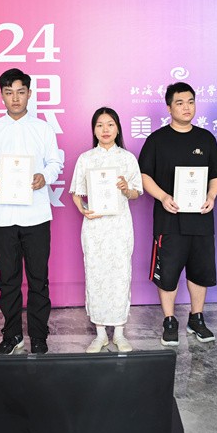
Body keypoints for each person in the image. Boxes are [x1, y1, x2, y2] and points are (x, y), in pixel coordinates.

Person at [0, 68, 64, 355]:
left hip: (36, 215)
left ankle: (39, 335)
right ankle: (12, 335)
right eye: (9, 92)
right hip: (2, 216)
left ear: (29, 93)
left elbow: (55, 162)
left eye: (20, 91)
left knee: (38, 279)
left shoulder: (43, 128)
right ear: (1, 95)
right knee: (8, 281)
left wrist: (44, 177)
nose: (15, 98)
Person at [139, 82, 217, 346]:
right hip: (169, 220)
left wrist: (211, 196)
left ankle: (197, 318)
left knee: (200, 272)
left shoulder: (206, 138)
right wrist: (163, 197)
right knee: (168, 274)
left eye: (190, 101)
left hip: (200, 219)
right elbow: (144, 175)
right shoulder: (157, 140)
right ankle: (169, 320)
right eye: (179, 102)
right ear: (169, 108)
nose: (186, 107)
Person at [70, 107, 142, 353]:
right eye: (100, 125)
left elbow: (136, 193)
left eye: (110, 124)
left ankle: (120, 333)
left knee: (120, 274)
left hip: (120, 225)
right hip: (95, 226)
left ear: (118, 128)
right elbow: (76, 193)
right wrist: (82, 209)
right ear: (94, 130)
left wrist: (126, 189)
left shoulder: (127, 158)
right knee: (96, 274)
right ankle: (100, 334)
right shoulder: (86, 159)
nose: (105, 130)